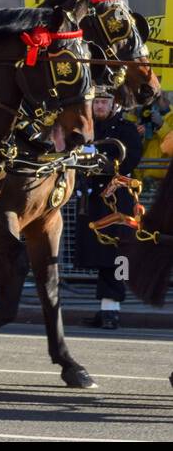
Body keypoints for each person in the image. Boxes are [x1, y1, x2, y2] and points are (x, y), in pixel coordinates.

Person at [77, 93, 144, 329]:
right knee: (100, 254)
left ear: (115, 104)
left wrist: (99, 161)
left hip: (118, 199)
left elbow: (130, 160)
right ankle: (107, 308)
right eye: (96, 102)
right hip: (92, 199)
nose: (99, 106)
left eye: (104, 102)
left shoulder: (126, 129)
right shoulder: (87, 127)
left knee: (116, 255)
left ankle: (112, 310)